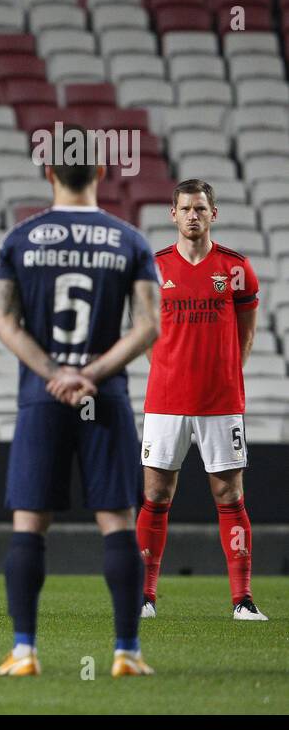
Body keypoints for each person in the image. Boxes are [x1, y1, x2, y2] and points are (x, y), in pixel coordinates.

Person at [0, 147, 160, 678]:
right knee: (117, 522)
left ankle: (24, 653)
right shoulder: (130, 241)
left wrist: (54, 373)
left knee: (29, 525)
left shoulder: (20, 239)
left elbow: (4, 322)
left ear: (49, 173)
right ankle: (127, 653)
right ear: (101, 173)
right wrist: (90, 375)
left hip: (42, 398)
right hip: (104, 399)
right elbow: (148, 327)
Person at [137, 179, 267, 621]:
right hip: (166, 401)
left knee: (229, 496)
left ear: (214, 214)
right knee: (155, 494)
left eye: (201, 209)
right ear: (172, 214)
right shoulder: (153, 269)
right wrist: (171, 370)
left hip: (220, 402)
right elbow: (146, 332)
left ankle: (243, 600)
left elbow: (246, 332)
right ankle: (145, 596)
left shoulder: (236, 269)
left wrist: (226, 373)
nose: (193, 216)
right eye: (186, 209)